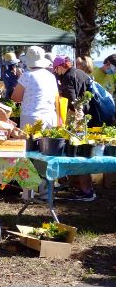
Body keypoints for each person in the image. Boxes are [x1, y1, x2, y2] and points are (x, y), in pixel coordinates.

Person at [52, 55, 96, 202]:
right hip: (89, 119)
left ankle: (85, 191)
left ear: (61, 66)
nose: (55, 71)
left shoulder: (67, 77)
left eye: (55, 68)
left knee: (76, 156)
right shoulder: (81, 73)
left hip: (76, 120)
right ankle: (86, 189)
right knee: (85, 155)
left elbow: (72, 102)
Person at [11, 46, 58, 129]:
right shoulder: (51, 76)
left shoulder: (27, 76)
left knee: (30, 142)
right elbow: (56, 97)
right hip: (50, 117)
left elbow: (16, 98)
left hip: (31, 117)